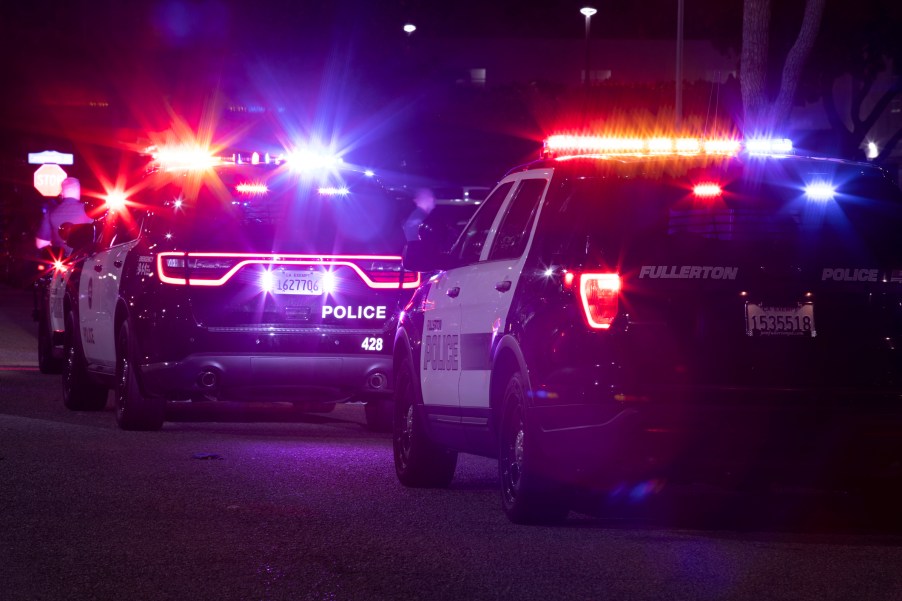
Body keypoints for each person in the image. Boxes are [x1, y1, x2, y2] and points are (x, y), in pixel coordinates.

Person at [35, 177, 92, 253]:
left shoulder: (51, 212)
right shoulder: (90, 210)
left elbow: (40, 244)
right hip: (84, 261)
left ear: (62, 192)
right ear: (79, 191)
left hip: (61, 260)